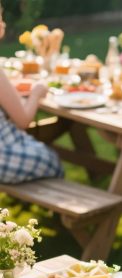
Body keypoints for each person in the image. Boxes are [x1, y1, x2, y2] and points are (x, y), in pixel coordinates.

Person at [0, 3, 63, 183]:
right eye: (0, 18)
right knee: (53, 160)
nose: (3, 24)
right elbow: (23, 120)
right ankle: (57, 207)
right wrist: (36, 93)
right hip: (4, 158)